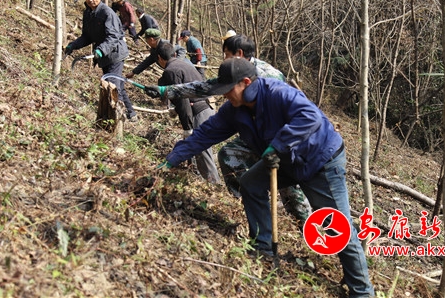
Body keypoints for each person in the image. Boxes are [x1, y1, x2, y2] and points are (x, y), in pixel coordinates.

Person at [159, 58, 375, 297]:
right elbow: (205, 134)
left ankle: (362, 291)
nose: (225, 95)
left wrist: (278, 145)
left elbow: (310, 117)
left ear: (246, 82)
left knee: (336, 224)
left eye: (228, 89)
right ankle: (263, 247)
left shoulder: (278, 93)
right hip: (285, 160)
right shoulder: (234, 110)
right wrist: (173, 158)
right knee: (251, 183)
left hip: (320, 160)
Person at [142, 34, 312, 225]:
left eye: (226, 54)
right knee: (229, 154)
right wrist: (167, 91)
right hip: (255, 134)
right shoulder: (233, 75)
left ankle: (307, 226)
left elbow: (299, 115)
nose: (224, 59)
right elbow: (206, 87)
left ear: (239, 54)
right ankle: (247, 202)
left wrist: (279, 146)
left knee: (291, 187)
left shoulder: (266, 76)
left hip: (284, 140)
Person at [64, 0, 138, 122]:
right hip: (103, 55)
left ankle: (118, 120)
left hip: (115, 53)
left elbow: (113, 36)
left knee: (112, 85)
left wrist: (101, 50)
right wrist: (73, 45)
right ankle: (132, 114)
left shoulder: (107, 12)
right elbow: (87, 36)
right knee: (117, 84)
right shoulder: (87, 13)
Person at [156, 42, 219, 183]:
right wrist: (175, 110)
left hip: (199, 111)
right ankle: (194, 180)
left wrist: (187, 127)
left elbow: (182, 100)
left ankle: (214, 186)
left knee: (202, 152)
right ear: (174, 54)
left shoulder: (170, 71)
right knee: (193, 149)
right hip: (207, 106)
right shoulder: (184, 64)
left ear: (159, 58)